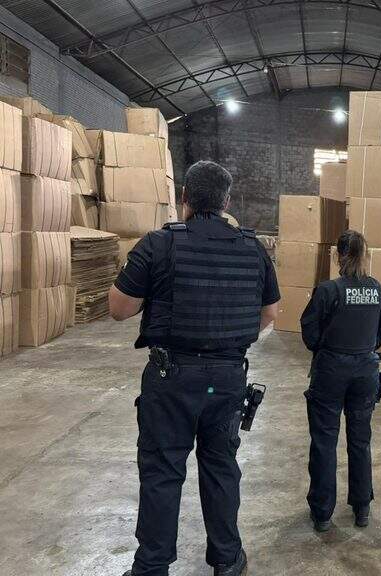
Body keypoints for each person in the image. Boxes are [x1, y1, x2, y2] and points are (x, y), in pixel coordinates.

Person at [109, 160, 280, 576]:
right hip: (227, 379)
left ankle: (152, 567)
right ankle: (227, 559)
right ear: (226, 202)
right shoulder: (254, 248)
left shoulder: (159, 244)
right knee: (221, 467)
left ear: (184, 197)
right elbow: (270, 313)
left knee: (163, 471)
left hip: (171, 379)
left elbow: (119, 309)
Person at [299, 230, 381, 532]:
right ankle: (362, 507)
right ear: (365, 255)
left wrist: (328, 349)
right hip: (366, 369)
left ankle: (322, 513)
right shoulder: (376, 289)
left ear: (338, 256)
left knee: (324, 441)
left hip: (331, 371)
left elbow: (309, 332)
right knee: (360, 440)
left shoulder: (328, 290)